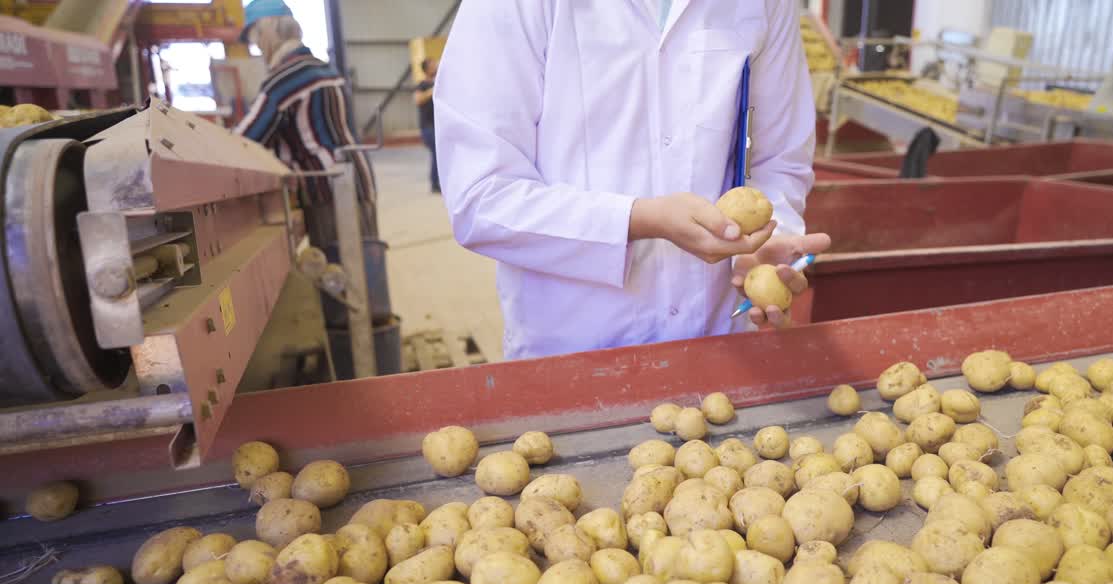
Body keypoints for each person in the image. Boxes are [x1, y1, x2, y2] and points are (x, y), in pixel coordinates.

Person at [435, 1, 830, 360]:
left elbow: (779, 157)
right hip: (572, 346)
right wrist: (639, 219)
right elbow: (481, 197)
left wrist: (768, 236)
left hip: (716, 340)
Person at [235, 0, 395, 376]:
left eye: (258, 37)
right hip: (357, 183)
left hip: (329, 196)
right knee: (365, 278)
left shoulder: (284, 80)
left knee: (341, 285)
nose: (258, 46)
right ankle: (372, 362)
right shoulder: (324, 68)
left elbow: (245, 140)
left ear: (272, 30)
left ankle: (359, 375)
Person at [414, 58, 441, 193]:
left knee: (439, 155)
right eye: (432, 65)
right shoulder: (423, 85)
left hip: (438, 126)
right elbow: (418, 99)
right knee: (437, 154)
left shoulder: (439, 83)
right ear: (427, 69)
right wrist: (433, 89)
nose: (435, 66)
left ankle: (437, 183)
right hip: (428, 128)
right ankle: (436, 184)